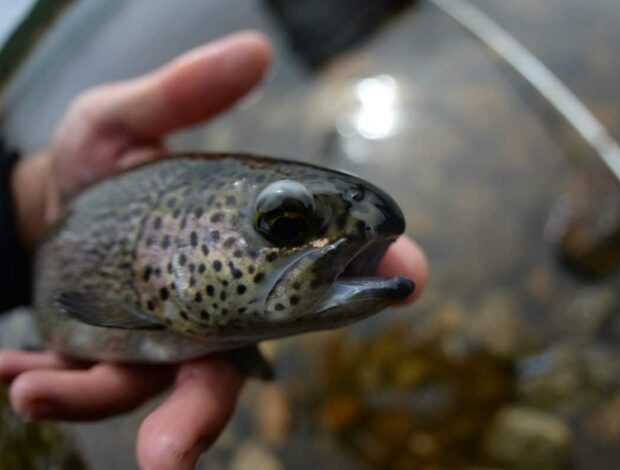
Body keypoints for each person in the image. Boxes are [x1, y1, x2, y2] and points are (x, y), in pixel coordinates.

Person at [0, 31, 428, 470]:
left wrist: (19, 202)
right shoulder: (132, 293)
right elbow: (74, 303)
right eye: (283, 225)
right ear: (169, 245)